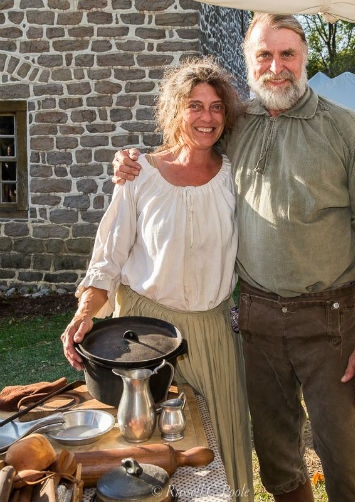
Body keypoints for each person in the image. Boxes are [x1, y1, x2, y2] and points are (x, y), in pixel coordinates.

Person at [112, 13, 355, 502]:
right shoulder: (237, 124)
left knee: (348, 468)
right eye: (263, 55)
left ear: (304, 56)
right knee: (278, 464)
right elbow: (190, 144)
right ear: (248, 64)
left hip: (330, 323)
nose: (276, 67)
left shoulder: (347, 129)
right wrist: (134, 159)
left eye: (287, 54)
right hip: (259, 321)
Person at [61, 58, 253, 502]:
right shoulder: (138, 173)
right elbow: (107, 258)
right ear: (173, 111)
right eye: (194, 106)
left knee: (213, 457)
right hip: (143, 334)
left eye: (217, 107)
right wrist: (84, 314)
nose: (207, 117)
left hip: (213, 334)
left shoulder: (235, 177)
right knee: (143, 456)